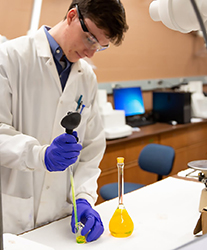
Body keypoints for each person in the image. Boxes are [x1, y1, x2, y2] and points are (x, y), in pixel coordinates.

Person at [0, 0, 128, 242]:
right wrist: (40, 155)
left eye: (101, 46)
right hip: (12, 217)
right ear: (72, 16)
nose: (91, 52)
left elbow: (91, 148)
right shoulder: (9, 58)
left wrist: (83, 197)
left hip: (59, 219)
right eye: (91, 39)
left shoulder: (86, 77)